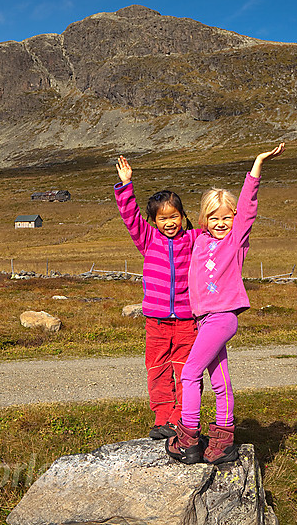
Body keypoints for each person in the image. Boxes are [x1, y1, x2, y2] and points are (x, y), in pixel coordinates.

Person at [166, 142, 286, 465]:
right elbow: (173, 230)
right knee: (220, 382)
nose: (221, 222)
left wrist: (257, 166)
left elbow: (248, 207)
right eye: (214, 217)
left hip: (222, 318)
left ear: (235, 218)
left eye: (227, 217)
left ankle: (188, 438)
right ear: (205, 218)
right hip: (206, 320)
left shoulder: (236, 242)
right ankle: (223, 441)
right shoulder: (200, 240)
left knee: (190, 375)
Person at [115, 155, 200, 440]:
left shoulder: (193, 240)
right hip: (156, 321)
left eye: (174, 216)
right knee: (158, 369)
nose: (169, 223)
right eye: (162, 218)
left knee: (186, 371)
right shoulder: (148, 239)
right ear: (153, 221)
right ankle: (162, 417)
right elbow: (130, 217)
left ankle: (180, 418)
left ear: (183, 216)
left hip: (188, 321)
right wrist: (126, 185)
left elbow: (220, 229)